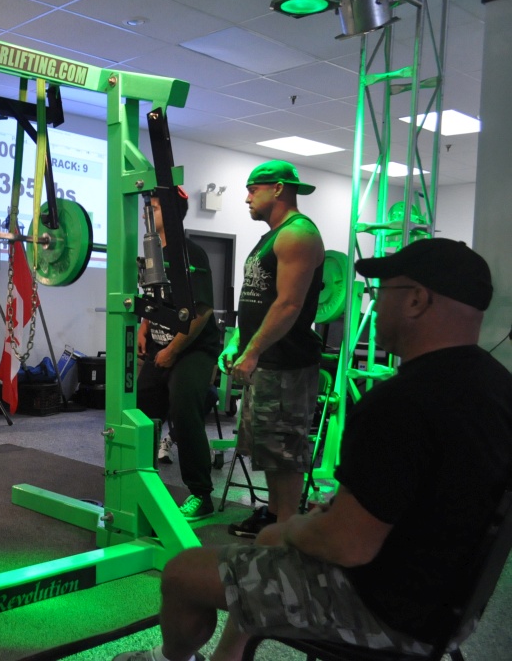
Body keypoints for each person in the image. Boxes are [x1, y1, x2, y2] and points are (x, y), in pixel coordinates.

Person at [114, 238, 512, 661]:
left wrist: (291, 529)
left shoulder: (401, 402)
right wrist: (340, 513)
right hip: (449, 608)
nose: (375, 306)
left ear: (416, 300)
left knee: (185, 571)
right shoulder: (498, 387)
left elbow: (348, 545)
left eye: (382, 292)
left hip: (383, 611)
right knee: (262, 557)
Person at [218, 161, 325, 538]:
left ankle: (287, 530)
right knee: (268, 449)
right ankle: (275, 514)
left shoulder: (298, 234)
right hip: (266, 361)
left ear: (278, 188)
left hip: (287, 364)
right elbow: (256, 298)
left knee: (285, 452)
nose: (247, 198)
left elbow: (289, 304)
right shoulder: (271, 237)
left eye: (253, 189)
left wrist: (252, 351)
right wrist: (237, 341)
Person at [136, 190, 223, 521]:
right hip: (160, 347)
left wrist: (173, 350)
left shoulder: (191, 253)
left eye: (155, 208)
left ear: (172, 213)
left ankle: (201, 495)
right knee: (140, 409)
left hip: (193, 349)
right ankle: (141, 482)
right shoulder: (152, 252)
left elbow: (202, 311)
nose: (147, 213)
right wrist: (144, 328)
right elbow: (153, 297)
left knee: (183, 407)